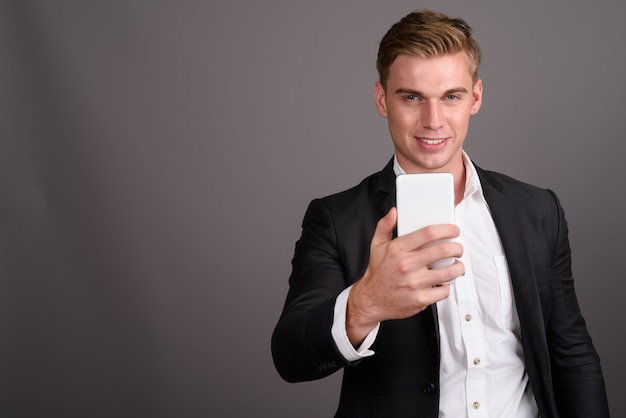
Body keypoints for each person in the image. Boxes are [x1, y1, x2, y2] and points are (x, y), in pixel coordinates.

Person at [271, 10, 609, 418]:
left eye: (451, 96)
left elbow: (572, 353)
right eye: (412, 97)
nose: (433, 121)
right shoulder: (335, 219)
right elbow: (291, 357)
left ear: (476, 97)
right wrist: (366, 303)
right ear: (382, 99)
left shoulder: (539, 210)